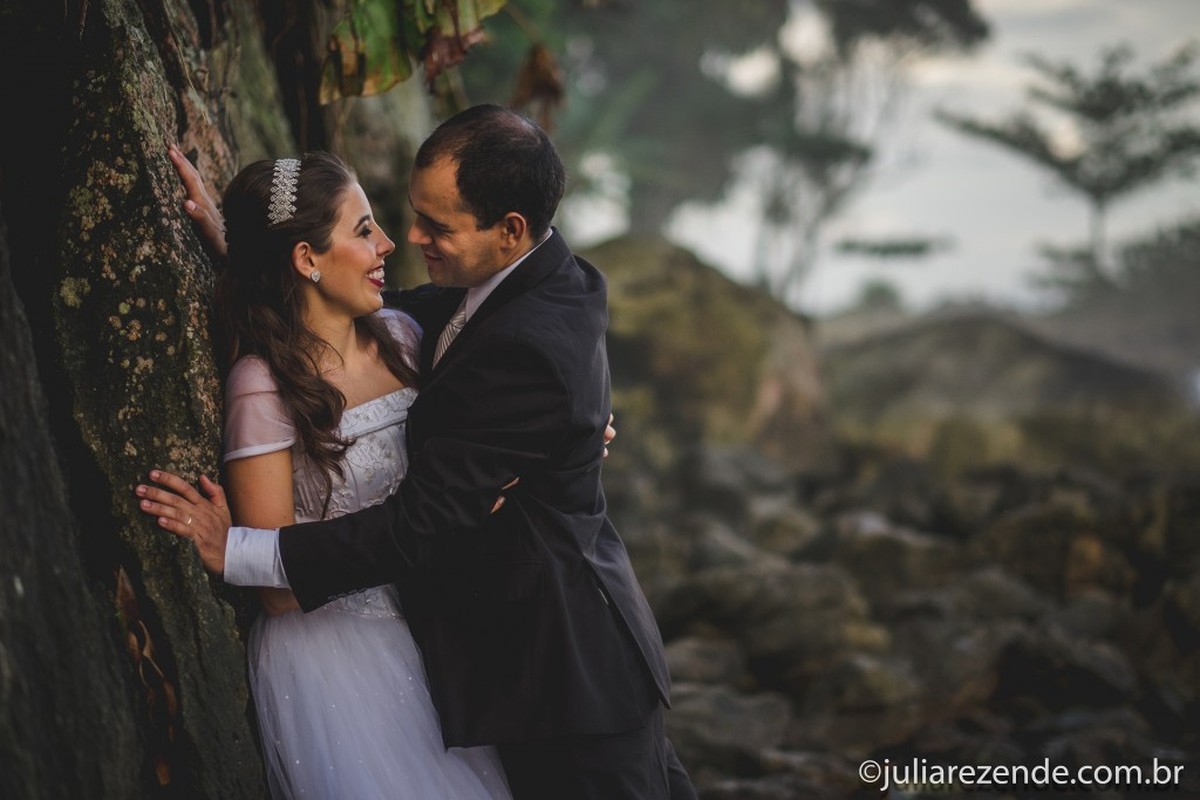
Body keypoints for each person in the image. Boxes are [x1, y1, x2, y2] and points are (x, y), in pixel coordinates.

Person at [139, 104, 697, 800]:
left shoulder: (527, 345)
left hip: (563, 680)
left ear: (510, 230)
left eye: (437, 226)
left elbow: (419, 525)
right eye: (404, 216)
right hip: (480, 665)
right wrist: (250, 250)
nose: (408, 238)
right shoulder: (506, 290)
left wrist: (241, 550)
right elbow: (344, 302)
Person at [183, 149, 511, 799]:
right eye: (364, 230)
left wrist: (564, 426)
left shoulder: (402, 337)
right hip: (339, 659)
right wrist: (236, 549)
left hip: (430, 624)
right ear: (306, 259)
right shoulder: (262, 387)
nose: (388, 243)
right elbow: (277, 591)